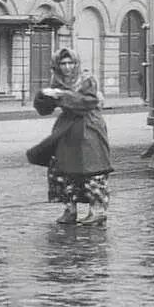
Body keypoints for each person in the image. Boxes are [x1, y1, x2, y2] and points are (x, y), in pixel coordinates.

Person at [26, 48, 113, 226]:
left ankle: (97, 211)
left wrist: (62, 95)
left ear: (76, 64)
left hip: (89, 127)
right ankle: (69, 209)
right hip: (67, 129)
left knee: (92, 169)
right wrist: (43, 96)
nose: (67, 67)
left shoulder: (87, 79)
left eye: (70, 63)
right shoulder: (56, 80)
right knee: (61, 168)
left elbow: (88, 102)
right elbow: (45, 109)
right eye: (63, 63)